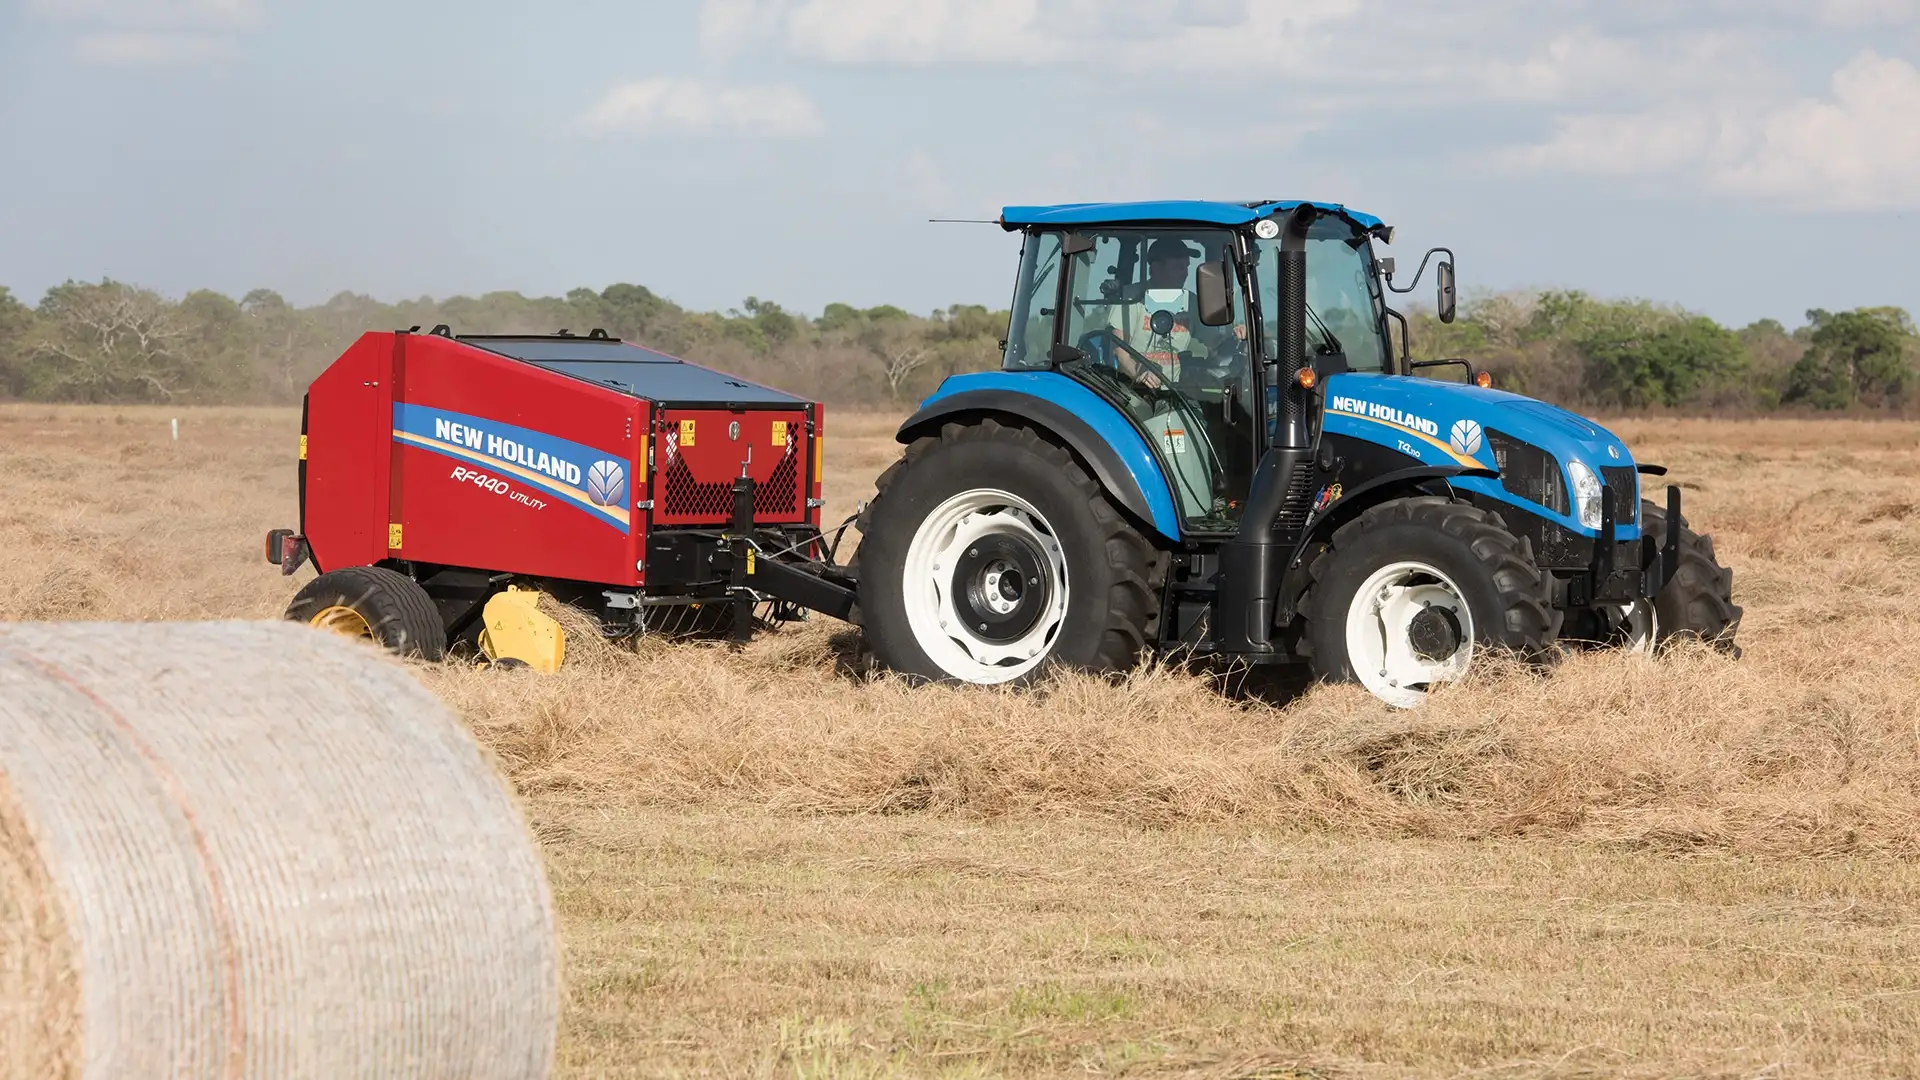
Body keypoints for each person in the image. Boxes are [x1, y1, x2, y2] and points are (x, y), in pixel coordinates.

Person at [1107, 237, 1244, 390]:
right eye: (1179, 267)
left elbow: (1216, 344)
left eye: (1186, 267)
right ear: (1156, 268)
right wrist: (1139, 374)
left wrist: (1237, 335)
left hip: (1178, 391)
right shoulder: (1131, 297)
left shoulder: (1191, 302)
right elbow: (1119, 350)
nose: (1185, 273)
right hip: (1134, 388)